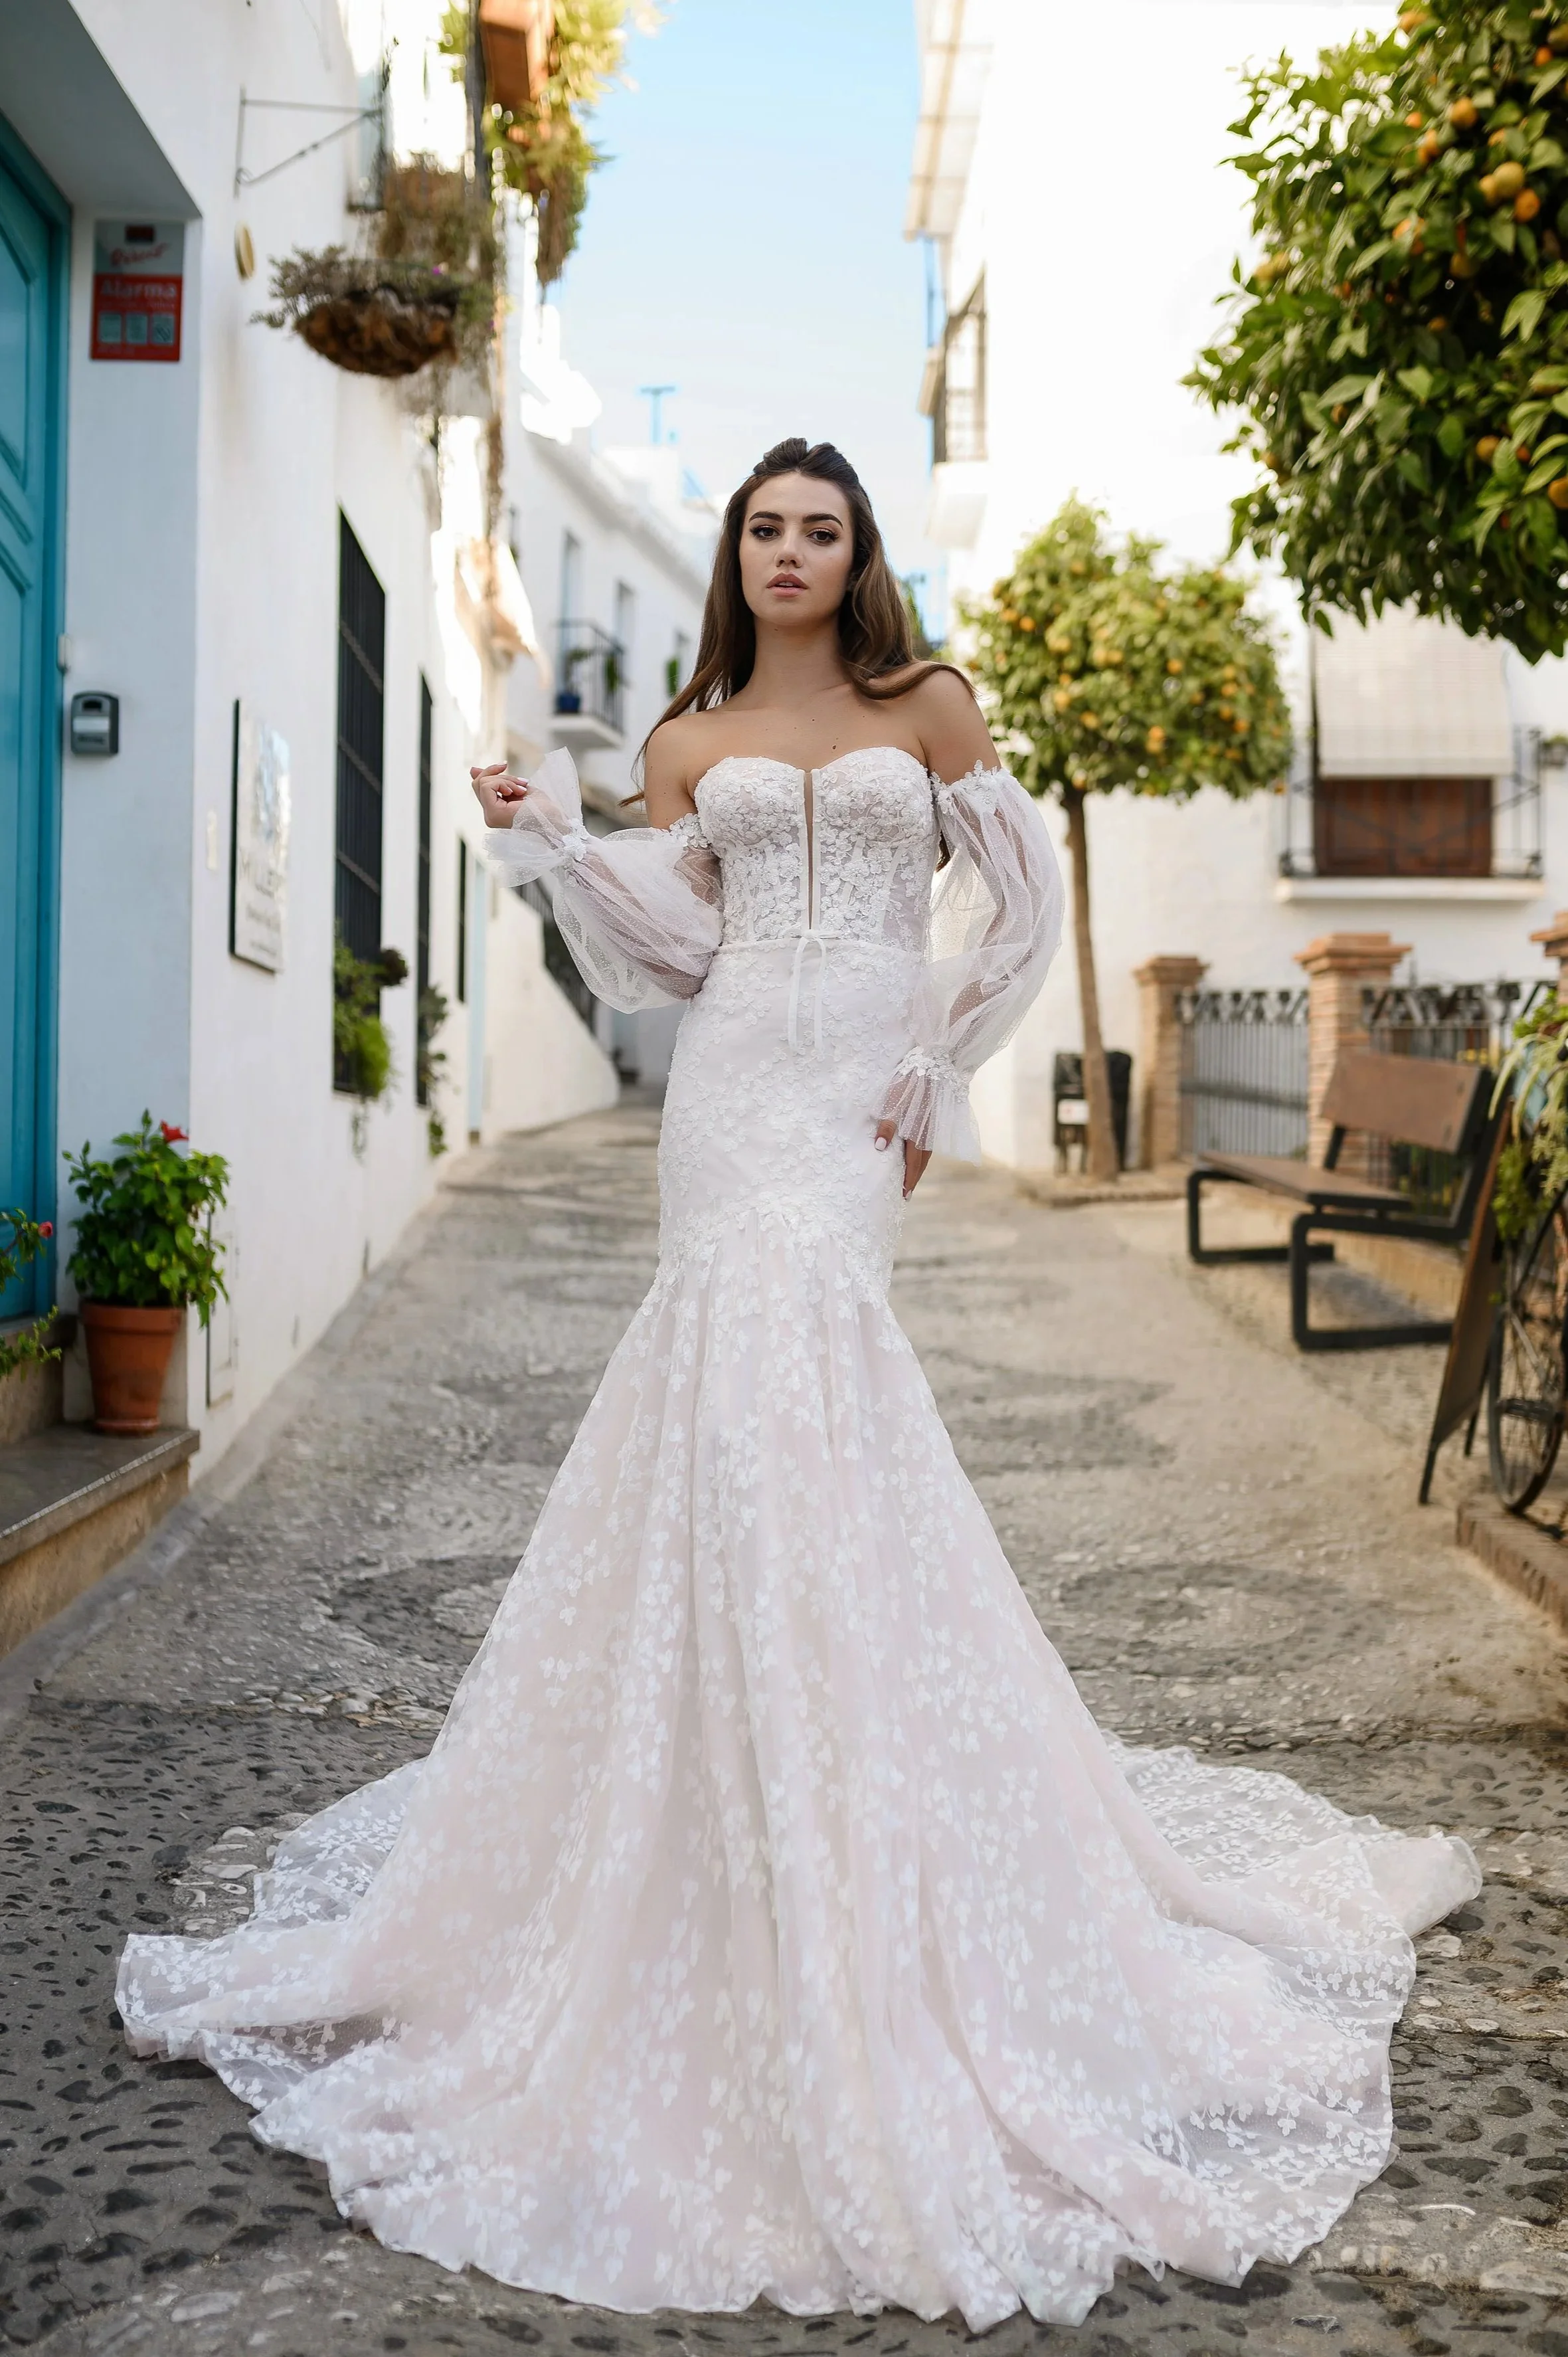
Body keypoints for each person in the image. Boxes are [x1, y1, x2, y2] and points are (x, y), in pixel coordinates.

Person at [117, 438, 1478, 2332]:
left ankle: (849, 1781)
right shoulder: (688, 737)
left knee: (812, 1384)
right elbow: (680, 953)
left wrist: (936, 1069)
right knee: (720, 1398)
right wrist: (553, 840)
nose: (787, 550)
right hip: (733, 1094)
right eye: (763, 525)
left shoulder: (933, 705)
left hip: (848, 1115)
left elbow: (1014, 912)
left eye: (818, 528)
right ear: (737, 554)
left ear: (858, 555)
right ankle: (718, 1783)